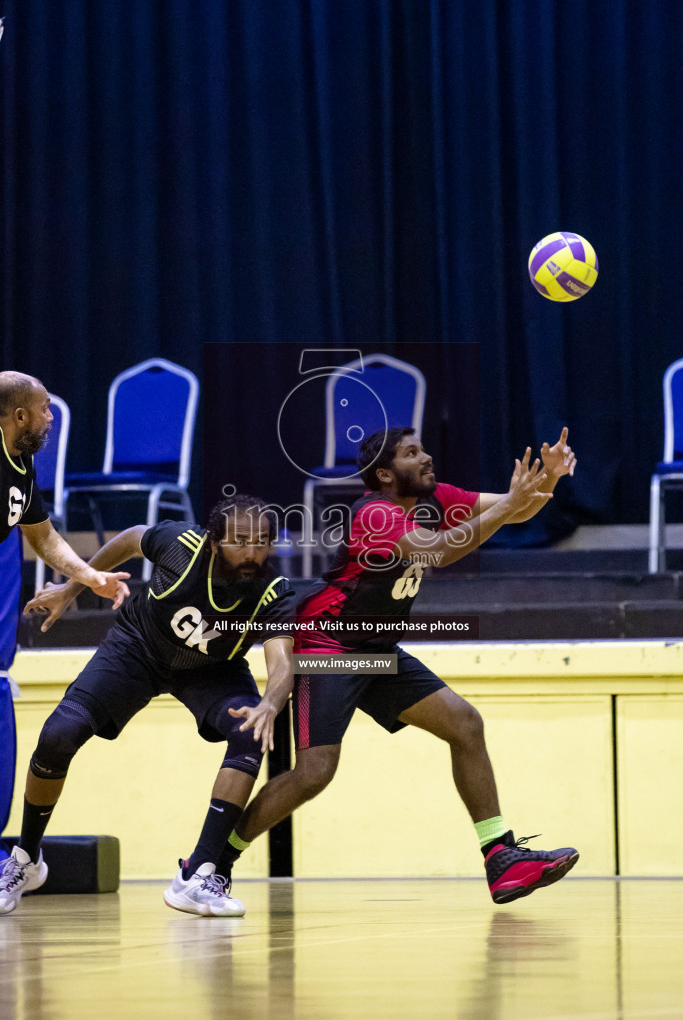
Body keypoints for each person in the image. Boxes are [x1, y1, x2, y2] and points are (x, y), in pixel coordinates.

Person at [217, 427, 580, 904]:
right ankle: (215, 860)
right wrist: (511, 505)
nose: (427, 456)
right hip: (329, 644)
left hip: (377, 648)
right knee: (314, 772)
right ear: (385, 474)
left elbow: (517, 507)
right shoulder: (375, 513)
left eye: (424, 447)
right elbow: (443, 551)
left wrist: (548, 481)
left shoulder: (437, 497)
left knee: (464, 724)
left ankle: (500, 859)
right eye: (412, 453)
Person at [0, 493, 295, 917]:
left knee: (249, 732)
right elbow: (134, 537)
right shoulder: (182, 544)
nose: (253, 551)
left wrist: (269, 702)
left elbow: (282, 658)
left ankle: (197, 876)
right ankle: (26, 860)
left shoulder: (274, 590)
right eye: (241, 540)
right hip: (137, 648)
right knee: (59, 734)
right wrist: (73, 586)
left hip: (211, 670)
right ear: (214, 542)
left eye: (263, 541)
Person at [0, 371, 130, 604]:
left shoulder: (23, 459)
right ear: (20, 417)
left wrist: (90, 576)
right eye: (44, 408)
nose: (50, 417)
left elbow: (44, 536)